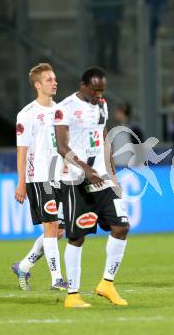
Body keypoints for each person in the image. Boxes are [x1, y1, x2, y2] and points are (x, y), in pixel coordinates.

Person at [54, 67, 130, 308]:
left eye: (102, 90)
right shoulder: (64, 108)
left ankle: (107, 283)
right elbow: (62, 147)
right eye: (95, 90)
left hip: (102, 178)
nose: (99, 95)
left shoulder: (102, 104)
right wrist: (86, 170)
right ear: (83, 85)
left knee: (121, 227)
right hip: (76, 180)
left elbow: (102, 134)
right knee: (77, 237)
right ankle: (73, 295)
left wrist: (112, 170)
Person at [12, 63, 67, 291]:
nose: (54, 82)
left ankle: (24, 266)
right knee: (51, 224)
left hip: (61, 177)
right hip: (39, 178)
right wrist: (21, 183)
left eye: (54, 78)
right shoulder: (27, 115)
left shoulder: (62, 110)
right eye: (49, 79)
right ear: (37, 85)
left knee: (59, 230)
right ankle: (57, 279)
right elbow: (22, 151)